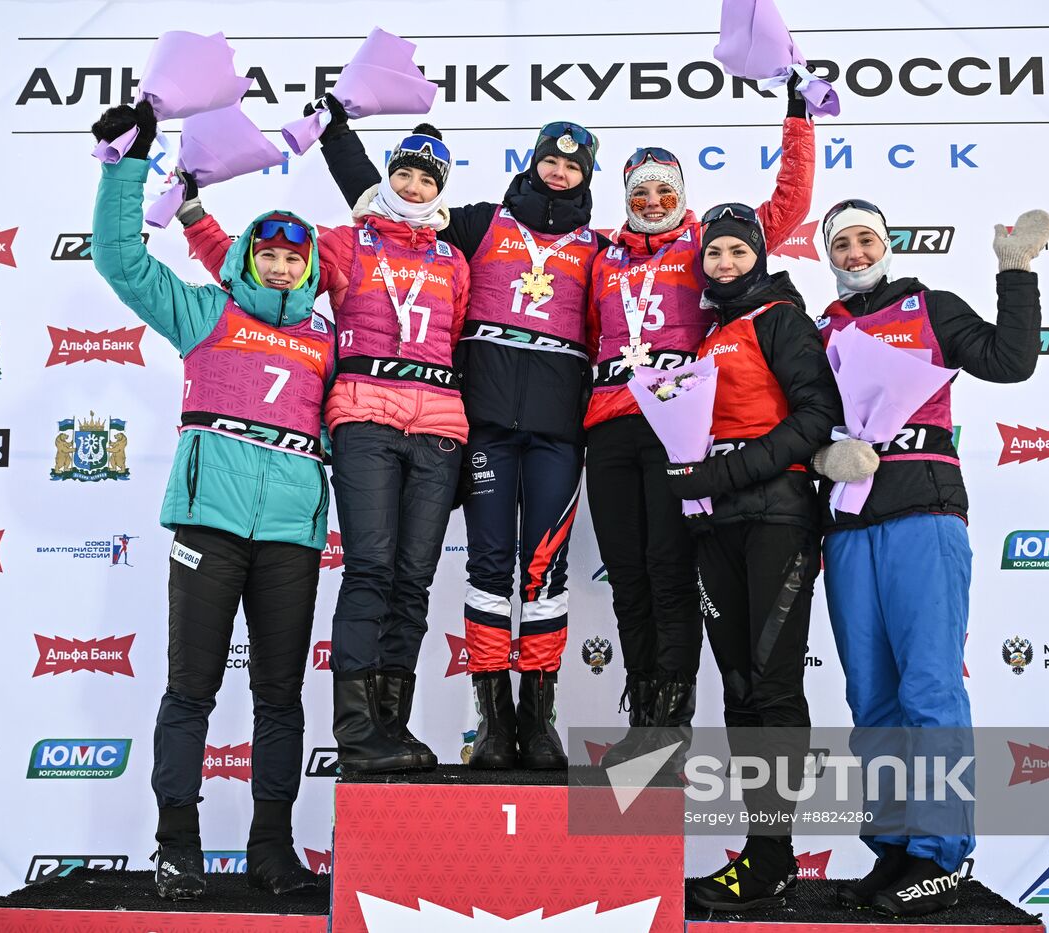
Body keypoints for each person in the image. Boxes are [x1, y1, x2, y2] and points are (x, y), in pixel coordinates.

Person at [313, 96, 606, 769]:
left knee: (544, 571)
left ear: (586, 176)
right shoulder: (476, 224)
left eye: (572, 165)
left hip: (560, 431)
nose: (558, 172)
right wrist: (336, 134)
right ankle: (493, 719)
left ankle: (539, 717)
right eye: (550, 159)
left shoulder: (598, 248)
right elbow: (387, 199)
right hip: (484, 427)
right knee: (486, 566)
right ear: (533, 161)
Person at [89, 102, 335, 901]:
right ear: (248, 257)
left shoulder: (328, 340)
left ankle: (272, 848)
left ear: (310, 268)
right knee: (191, 688)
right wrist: (130, 167)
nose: (283, 261)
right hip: (211, 525)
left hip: (293, 534)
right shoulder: (205, 311)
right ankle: (177, 846)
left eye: (297, 255)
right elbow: (121, 259)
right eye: (269, 248)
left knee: (280, 696)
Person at [180, 123, 470, 775]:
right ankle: (359, 731)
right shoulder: (343, 242)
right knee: (370, 568)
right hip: (366, 416)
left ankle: (393, 726)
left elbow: (460, 341)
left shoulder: (454, 260)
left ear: (440, 190)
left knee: (414, 581)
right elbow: (257, 274)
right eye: (405, 173)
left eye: (427, 179)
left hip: (440, 427)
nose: (414, 186)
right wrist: (196, 217)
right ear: (386, 177)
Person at [810, 200, 1049, 917]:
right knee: (873, 700)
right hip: (850, 528)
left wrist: (1015, 274)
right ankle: (894, 848)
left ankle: (940, 854)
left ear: (887, 244)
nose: (855, 252)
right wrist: (824, 453)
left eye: (866, 240)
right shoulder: (825, 328)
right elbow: (804, 418)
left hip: (925, 515)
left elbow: (1011, 362)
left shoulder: (930, 305)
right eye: (842, 243)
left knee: (930, 693)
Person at [588, 83, 815, 764]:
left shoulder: (704, 242)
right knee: (626, 573)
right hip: (606, 426)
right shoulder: (602, 255)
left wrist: (798, 120)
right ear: (625, 197)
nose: (652, 201)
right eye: (640, 192)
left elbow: (786, 208)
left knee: (666, 570)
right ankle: (644, 713)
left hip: (673, 428)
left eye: (664, 190)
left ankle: (671, 719)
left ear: (681, 194)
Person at [663, 203, 840, 912]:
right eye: (715, 254)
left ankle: (774, 858)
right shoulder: (710, 335)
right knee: (738, 686)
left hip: (776, 516)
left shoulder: (781, 318)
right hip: (719, 526)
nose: (726, 263)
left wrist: (719, 476)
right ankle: (762, 857)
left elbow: (813, 419)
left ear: (759, 257)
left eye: (738, 251)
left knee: (771, 685)